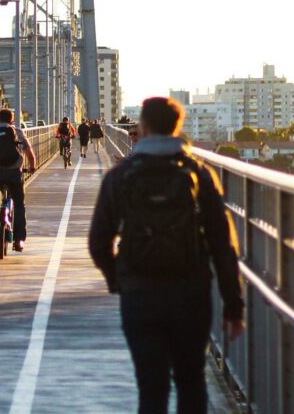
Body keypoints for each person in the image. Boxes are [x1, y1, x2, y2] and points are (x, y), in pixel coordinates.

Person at [89, 97, 245, 413]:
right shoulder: (198, 174)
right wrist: (233, 303)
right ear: (177, 128)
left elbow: (98, 241)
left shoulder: (120, 176)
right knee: (191, 381)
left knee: (152, 388)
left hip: (140, 293)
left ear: (143, 128)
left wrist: (119, 278)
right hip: (191, 292)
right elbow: (222, 243)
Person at [0, 108, 37, 252]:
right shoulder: (17, 132)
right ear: (11, 120)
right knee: (19, 205)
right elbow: (29, 152)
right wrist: (32, 167)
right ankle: (18, 241)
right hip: (14, 173)